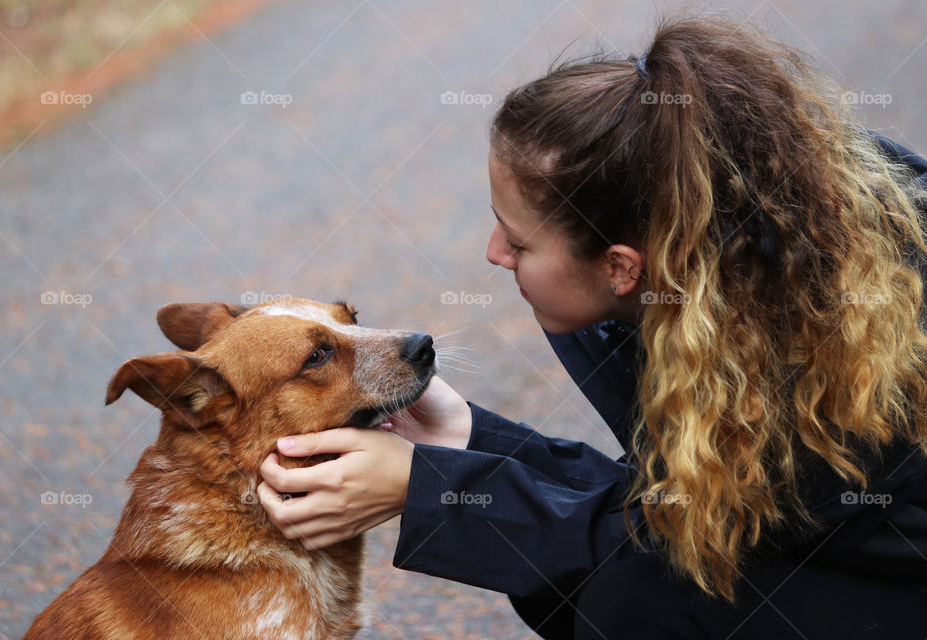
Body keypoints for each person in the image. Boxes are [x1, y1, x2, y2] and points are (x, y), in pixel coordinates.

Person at [256, 16, 927, 639]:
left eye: (519, 245)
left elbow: (683, 540)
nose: (493, 253)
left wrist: (428, 487)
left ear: (620, 267)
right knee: (584, 582)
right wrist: (467, 441)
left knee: (636, 604)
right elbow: (660, 500)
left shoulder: (830, 353)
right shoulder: (705, 264)